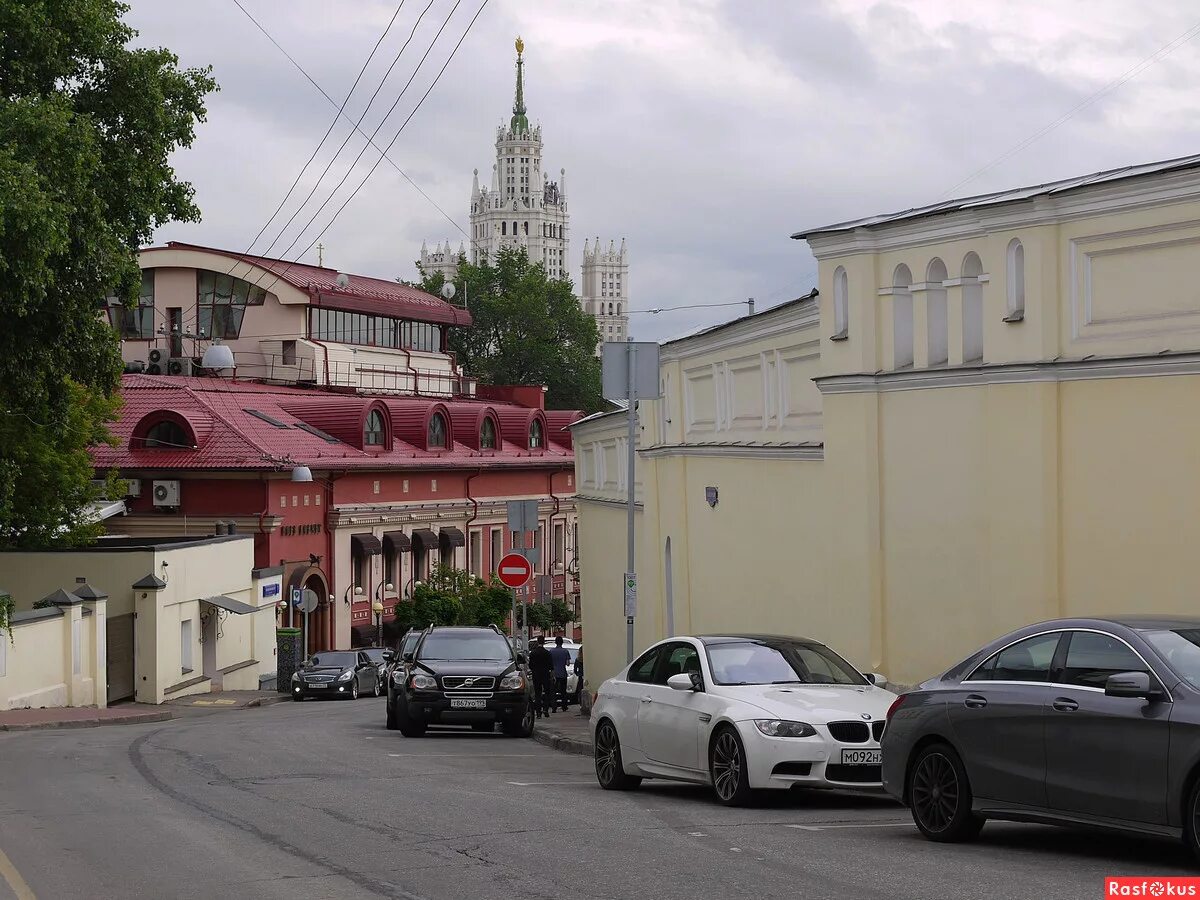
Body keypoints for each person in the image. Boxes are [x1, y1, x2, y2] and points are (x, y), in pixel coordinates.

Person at [527, 637, 553, 718]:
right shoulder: (547, 653)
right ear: (544, 642)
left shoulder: (533, 653)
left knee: (537, 694)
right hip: (545, 675)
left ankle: (538, 713)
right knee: (546, 693)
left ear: (537, 642)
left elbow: (530, 665)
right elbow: (551, 666)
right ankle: (545, 709)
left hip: (536, 675)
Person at [548, 636, 571, 712]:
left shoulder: (551, 651)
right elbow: (567, 663)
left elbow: (549, 663)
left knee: (553, 691)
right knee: (563, 691)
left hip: (554, 674)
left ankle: (554, 707)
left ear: (555, 642)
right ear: (562, 642)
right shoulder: (565, 651)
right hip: (563, 673)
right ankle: (564, 706)